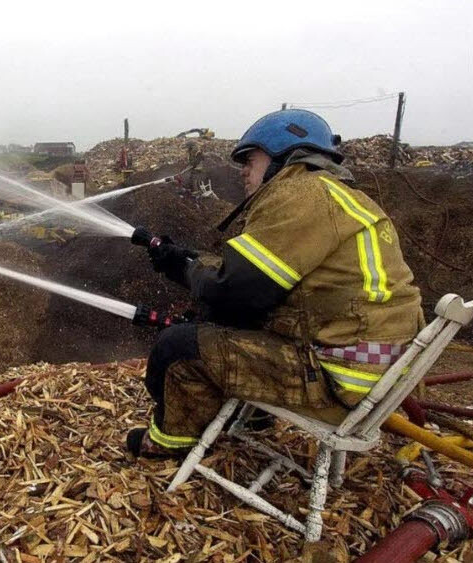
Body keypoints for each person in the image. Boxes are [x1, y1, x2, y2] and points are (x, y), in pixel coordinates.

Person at [127, 109, 424, 457]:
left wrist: (187, 269)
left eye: (249, 160)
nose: (242, 172)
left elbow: (235, 294)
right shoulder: (334, 196)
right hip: (374, 374)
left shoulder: (300, 194)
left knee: (178, 346)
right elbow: (257, 276)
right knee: (232, 323)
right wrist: (186, 261)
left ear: (282, 154)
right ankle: (253, 419)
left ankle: (168, 443)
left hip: (339, 381)